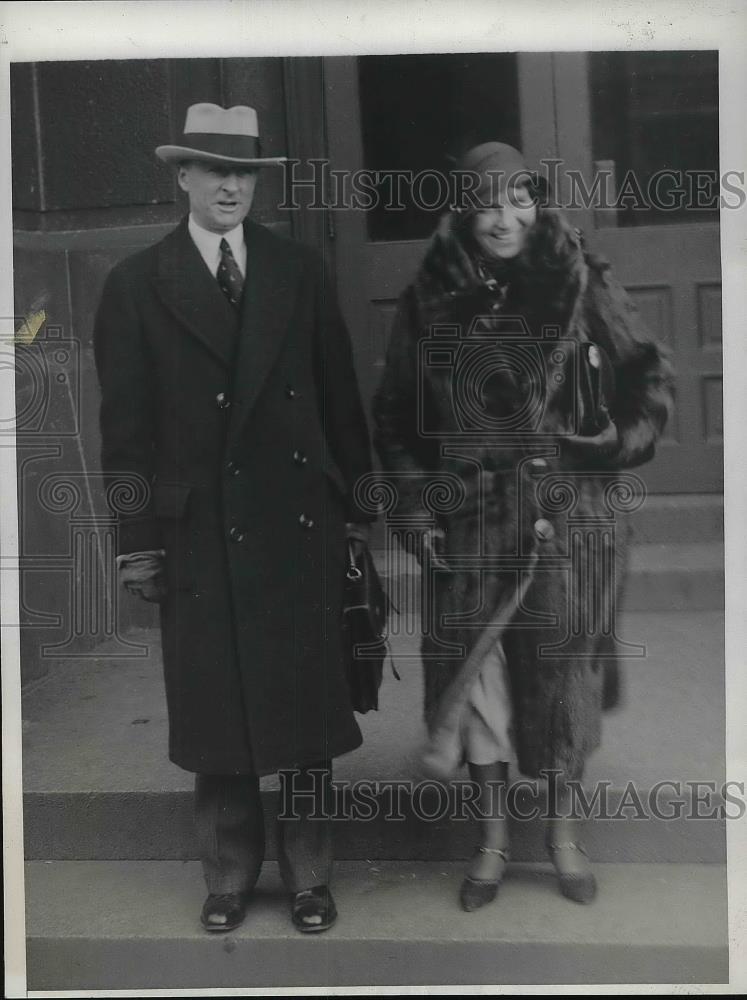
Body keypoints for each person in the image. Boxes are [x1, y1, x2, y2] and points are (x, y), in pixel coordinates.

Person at [94, 103, 374, 933]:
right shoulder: (136, 285)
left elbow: (338, 402)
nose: (230, 187)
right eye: (213, 170)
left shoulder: (297, 270)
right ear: (181, 176)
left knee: (305, 709)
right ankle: (225, 875)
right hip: (199, 534)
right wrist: (137, 546)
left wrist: (358, 511)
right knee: (214, 706)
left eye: (243, 173)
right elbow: (126, 435)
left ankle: (310, 874)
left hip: (297, 524)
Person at [372, 142, 674, 910]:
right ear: (464, 212)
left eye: (516, 200)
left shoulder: (581, 279)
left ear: (536, 202)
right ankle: (493, 841)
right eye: (484, 203)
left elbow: (646, 376)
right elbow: (395, 420)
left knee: (563, 684)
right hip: (468, 529)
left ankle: (562, 837)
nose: (502, 218)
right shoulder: (429, 296)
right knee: (481, 690)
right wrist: (413, 506)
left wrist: (614, 442)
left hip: (567, 525)